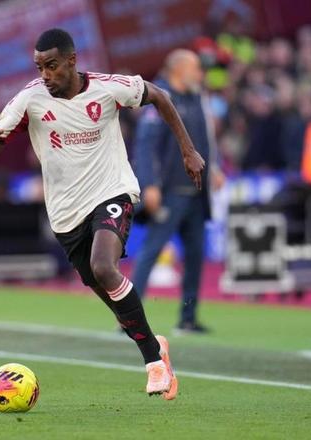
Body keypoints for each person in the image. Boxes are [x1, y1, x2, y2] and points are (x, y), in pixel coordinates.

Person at [0, 29, 205, 399]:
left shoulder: (108, 88)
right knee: (113, 300)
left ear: (71, 60)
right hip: (66, 214)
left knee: (103, 266)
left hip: (112, 192)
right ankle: (156, 346)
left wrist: (188, 150)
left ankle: (153, 363)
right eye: (39, 67)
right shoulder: (30, 99)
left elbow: (160, 96)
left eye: (52, 66)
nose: (45, 74)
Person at [131, 50, 218, 334]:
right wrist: (149, 184)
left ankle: (188, 318)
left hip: (196, 193)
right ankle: (130, 318)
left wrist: (214, 168)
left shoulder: (195, 98)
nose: (199, 73)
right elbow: (145, 146)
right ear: (178, 69)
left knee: (195, 257)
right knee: (151, 251)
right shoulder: (159, 97)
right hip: (169, 191)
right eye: (195, 68)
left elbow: (202, 141)